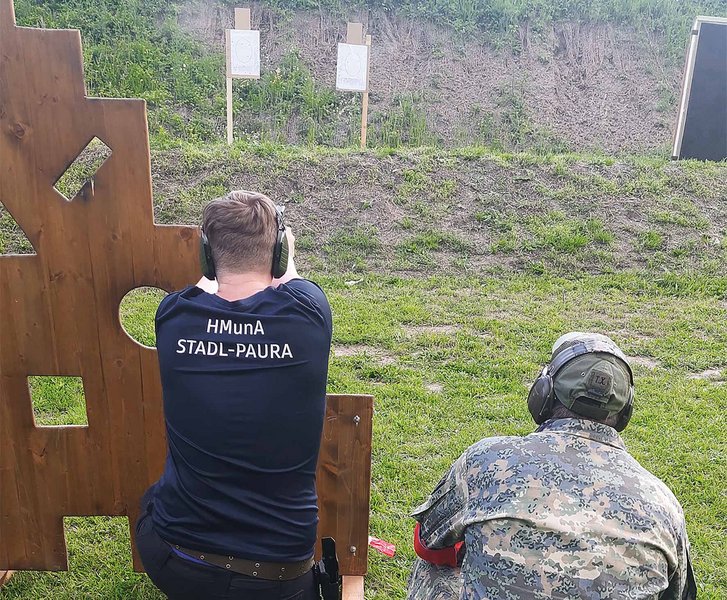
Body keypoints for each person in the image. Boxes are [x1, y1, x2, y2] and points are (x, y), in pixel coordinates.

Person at [136, 190, 333, 600]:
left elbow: (206, 286)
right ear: (280, 252)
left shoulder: (173, 316)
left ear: (206, 256)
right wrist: (283, 250)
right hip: (277, 577)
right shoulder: (309, 313)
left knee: (151, 500)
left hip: (177, 560)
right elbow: (286, 279)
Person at [407, 332, 696, 600]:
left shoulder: (487, 459)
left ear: (543, 392)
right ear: (625, 411)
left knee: (434, 571)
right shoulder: (663, 504)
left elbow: (426, 544)